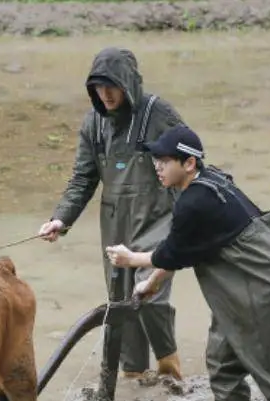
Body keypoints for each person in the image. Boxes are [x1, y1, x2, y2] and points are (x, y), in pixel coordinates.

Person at [104, 125, 270, 401]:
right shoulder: (207, 186)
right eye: (156, 160)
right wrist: (152, 282)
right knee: (222, 362)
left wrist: (131, 259)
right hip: (241, 291)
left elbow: (171, 252)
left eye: (165, 161)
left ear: (189, 164)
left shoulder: (196, 201)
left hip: (263, 288)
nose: (157, 167)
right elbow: (186, 246)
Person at [38, 46, 186, 381]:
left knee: (149, 292)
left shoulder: (157, 112)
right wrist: (61, 219)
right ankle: (133, 375)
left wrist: (191, 213)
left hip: (157, 217)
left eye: (112, 85)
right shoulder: (93, 123)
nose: (104, 93)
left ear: (128, 84)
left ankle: (169, 365)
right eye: (98, 87)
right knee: (120, 303)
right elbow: (83, 178)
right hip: (115, 222)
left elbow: (190, 158)